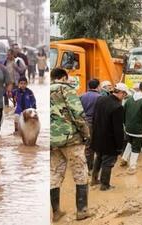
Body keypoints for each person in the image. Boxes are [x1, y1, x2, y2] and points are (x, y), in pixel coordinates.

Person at [50, 68, 92, 221]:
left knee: (54, 174)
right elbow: (78, 114)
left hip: (52, 142)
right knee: (80, 172)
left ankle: (56, 212)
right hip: (71, 139)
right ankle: (82, 210)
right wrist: (86, 134)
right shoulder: (66, 89)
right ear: (64, 78)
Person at [91, 83, 127, 190]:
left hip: (97, 137)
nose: (124, 98)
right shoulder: (118, 107)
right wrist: (120, 146)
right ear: (121, 93)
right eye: (124, 95)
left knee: (98, 158)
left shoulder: (100, 100)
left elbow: (94, 118)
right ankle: (104, 185)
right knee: (108, 162)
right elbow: (118, 129)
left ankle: (94, 180)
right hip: (109, 141)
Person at [120, 81, 142, 174]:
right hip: (138, 128)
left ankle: (124, 159)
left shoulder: (129, 99)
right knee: (136, 147)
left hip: (128, 127)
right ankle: (132, 166)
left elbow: (123, 112)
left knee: (130, 142)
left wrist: (125, 124)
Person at [80, 79, 101, 172]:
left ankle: (85, 165)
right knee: (92, 146)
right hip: (94, 123)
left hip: (83, 123)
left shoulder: (82, 96)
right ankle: (90, 167)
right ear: (98, 86)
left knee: (85, 145)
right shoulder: (100, 97)